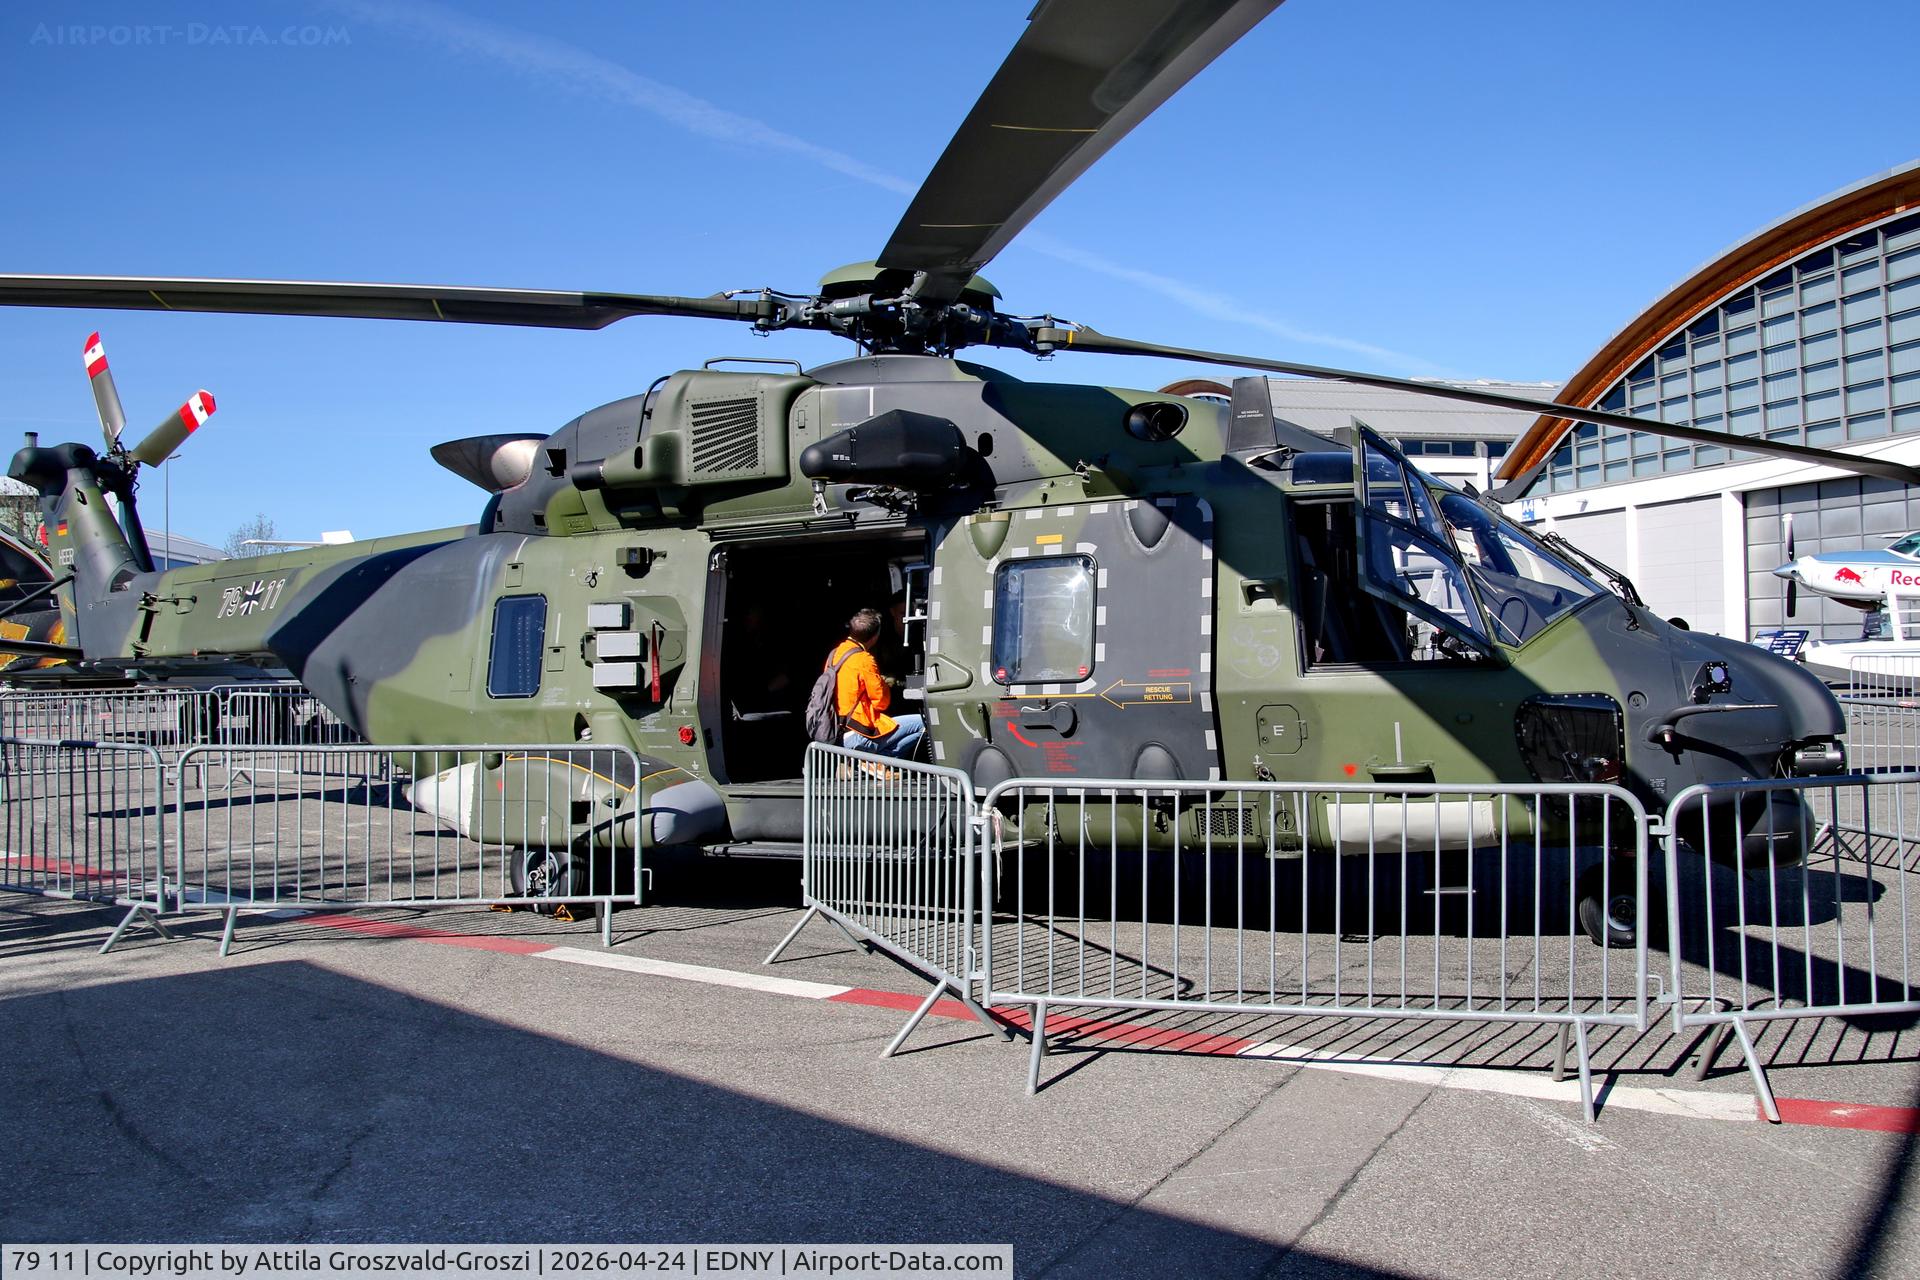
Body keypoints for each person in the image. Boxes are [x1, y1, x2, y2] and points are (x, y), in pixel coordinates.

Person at [826, 607, 925, 760]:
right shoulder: (865, 659)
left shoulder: (835, 654)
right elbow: (881, 702)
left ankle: (875, 761)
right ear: (875, 636)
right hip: (859, 733)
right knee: (924, 723)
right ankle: (880, 760)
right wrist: (884, 683)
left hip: (836, 733)